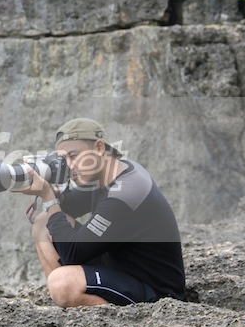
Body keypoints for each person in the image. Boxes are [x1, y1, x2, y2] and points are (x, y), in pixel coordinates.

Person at [21, 118, 185, 307]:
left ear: (99, 147)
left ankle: (115, 318)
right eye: (64, 159)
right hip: (118, 268)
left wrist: (49, 198)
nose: (70, 166)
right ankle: (68, 305)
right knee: (43, 223)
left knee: (62, 283)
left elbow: (73, 253)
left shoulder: (125, 192)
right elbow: (70, 206)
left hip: (153, 290)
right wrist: (54, 194)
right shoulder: (110, 172)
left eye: (73, 156)